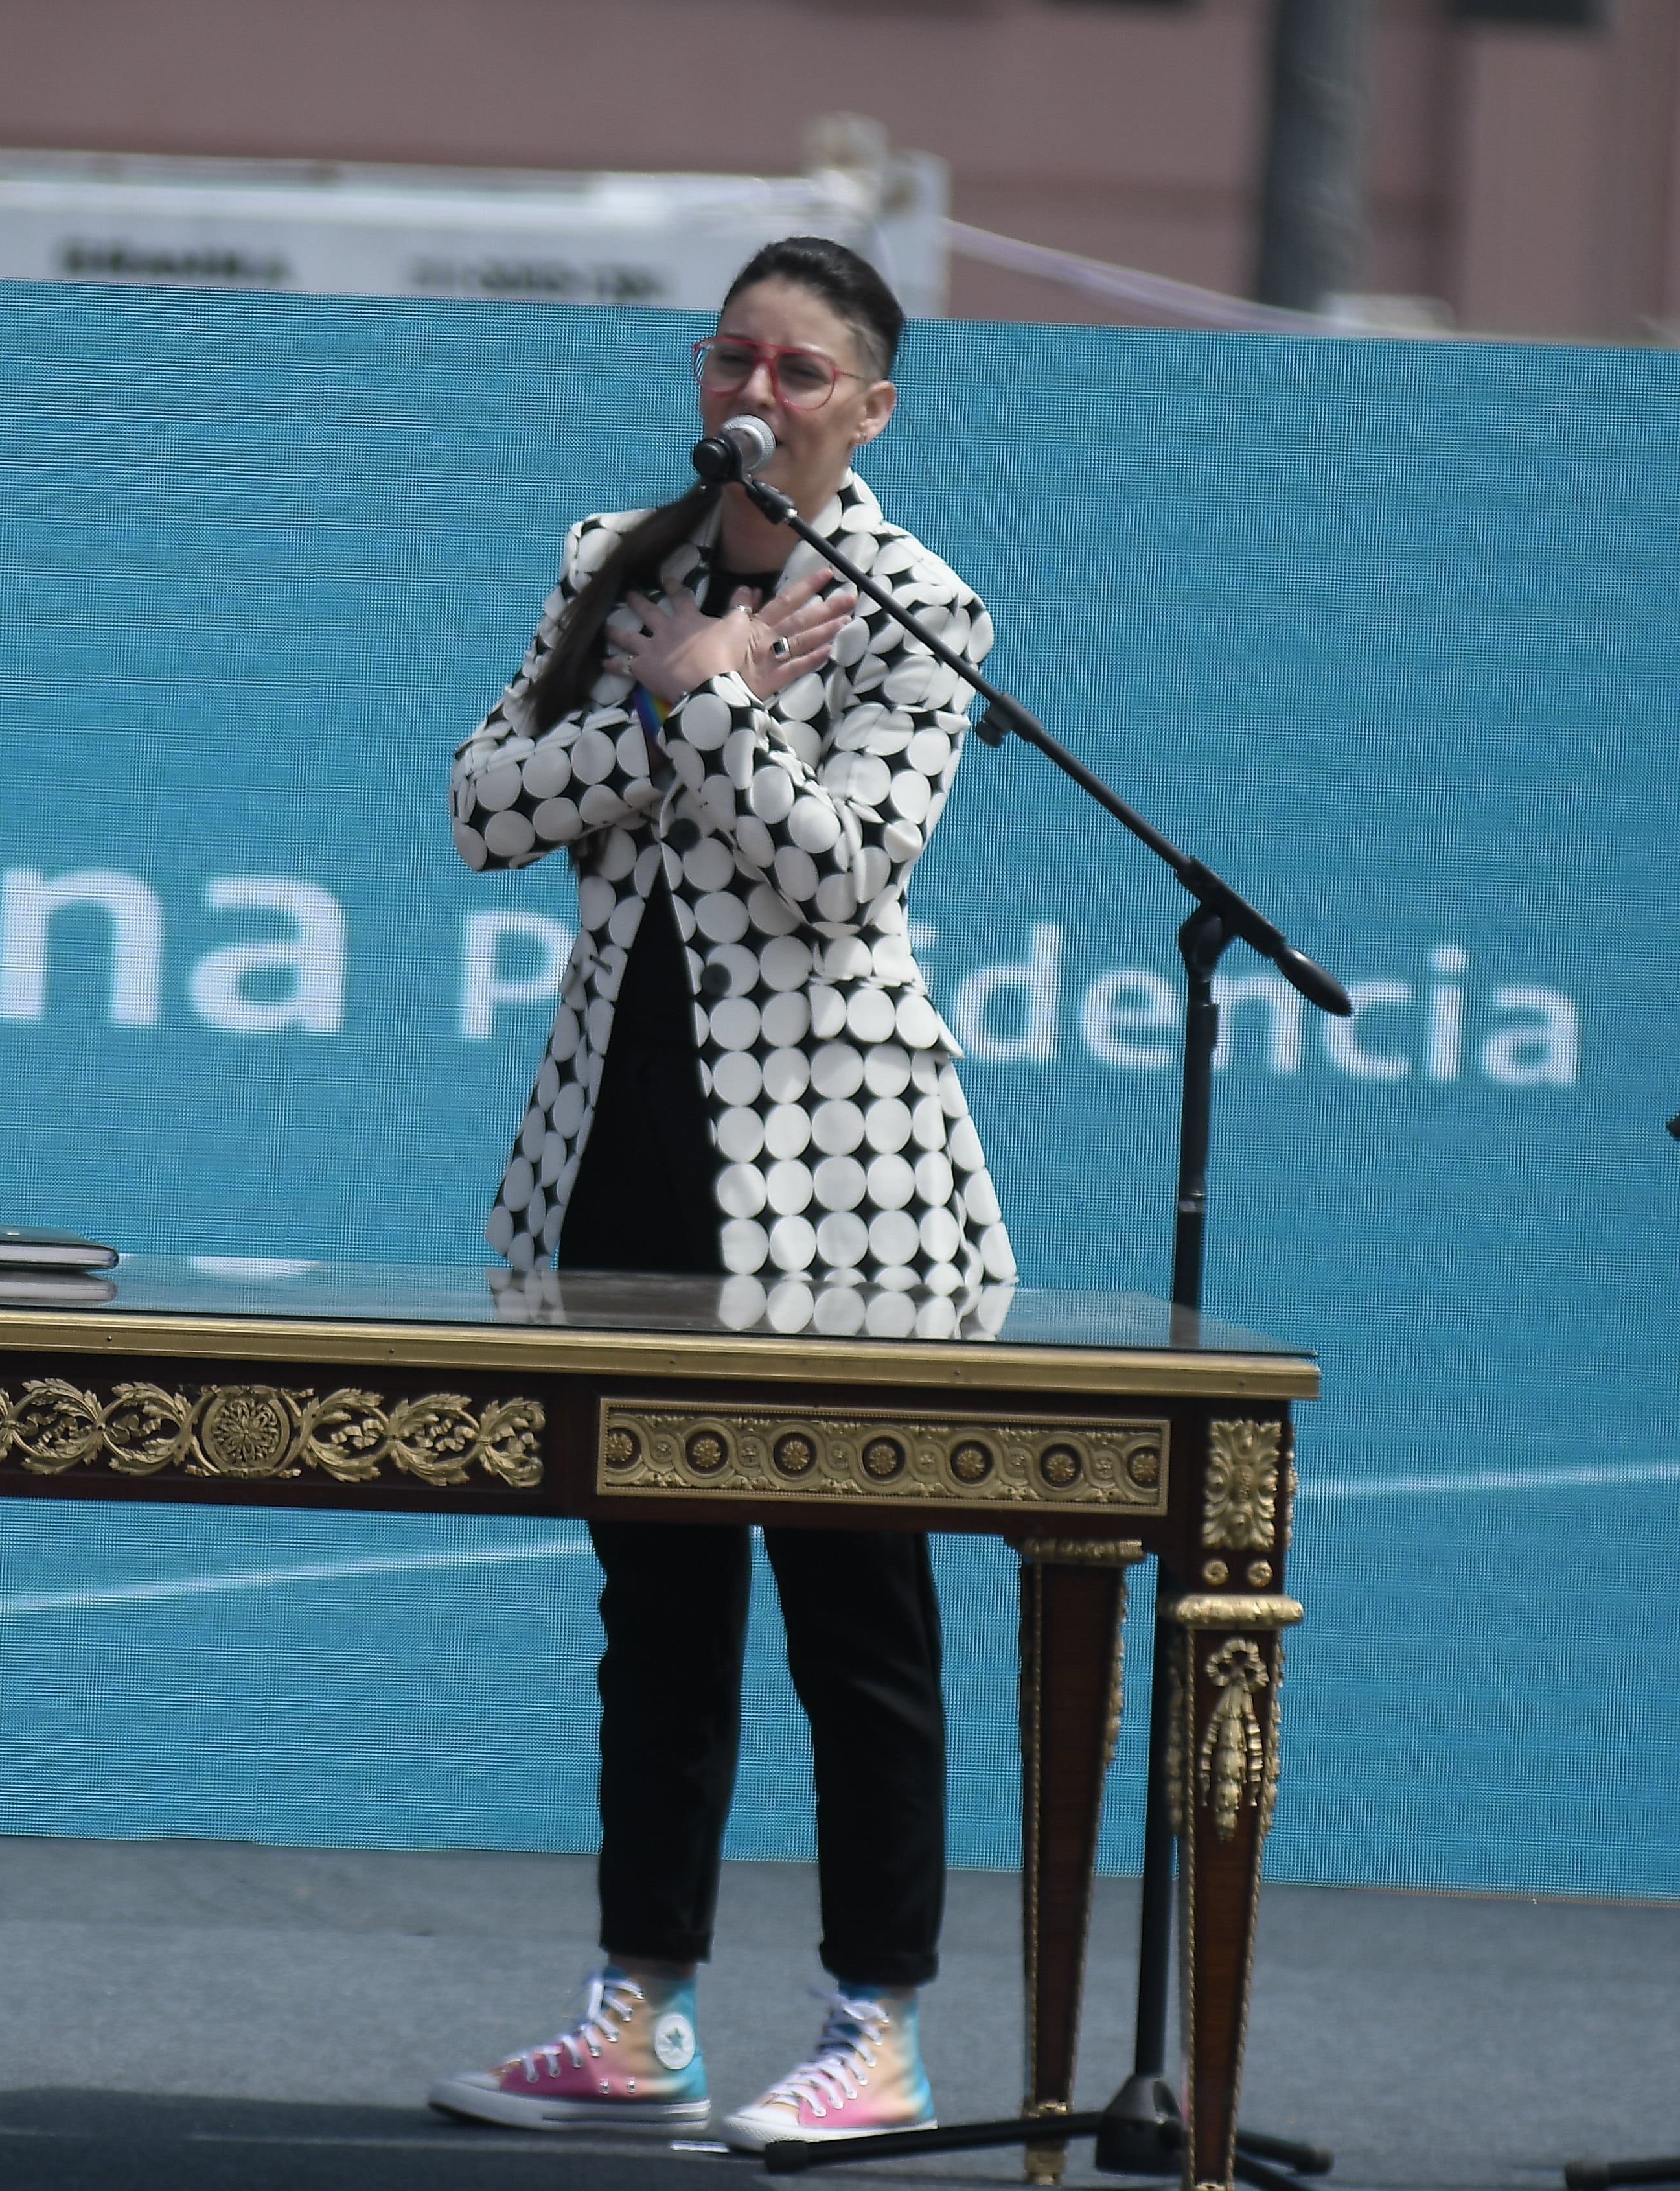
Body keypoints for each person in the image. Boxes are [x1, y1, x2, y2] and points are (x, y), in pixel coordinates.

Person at [428, 237, 1013, 2154]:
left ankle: (881, 2028)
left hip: (839, 1180)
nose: (753, 397)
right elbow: (481, 808)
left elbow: (843, 878)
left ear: (868, 410)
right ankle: (641, 2010)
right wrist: (685, 684)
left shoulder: (921, 603)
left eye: (800, 371)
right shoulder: (622, 559)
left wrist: (717, 708)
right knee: (656, 1603)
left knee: (858, 1615)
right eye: (729, 359)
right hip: (626, 1149)